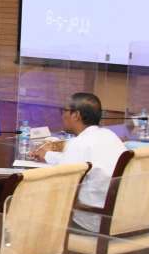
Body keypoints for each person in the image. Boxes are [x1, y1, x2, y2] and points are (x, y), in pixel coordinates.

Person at [29, 92, 125, 232]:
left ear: (76, 115)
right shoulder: (110, 136)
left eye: (64, 111)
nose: (62, 116)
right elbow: (80, 163)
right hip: (118, 217)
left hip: (89, 220)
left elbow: (63, 184)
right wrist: (48, 155)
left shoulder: (79, 143)